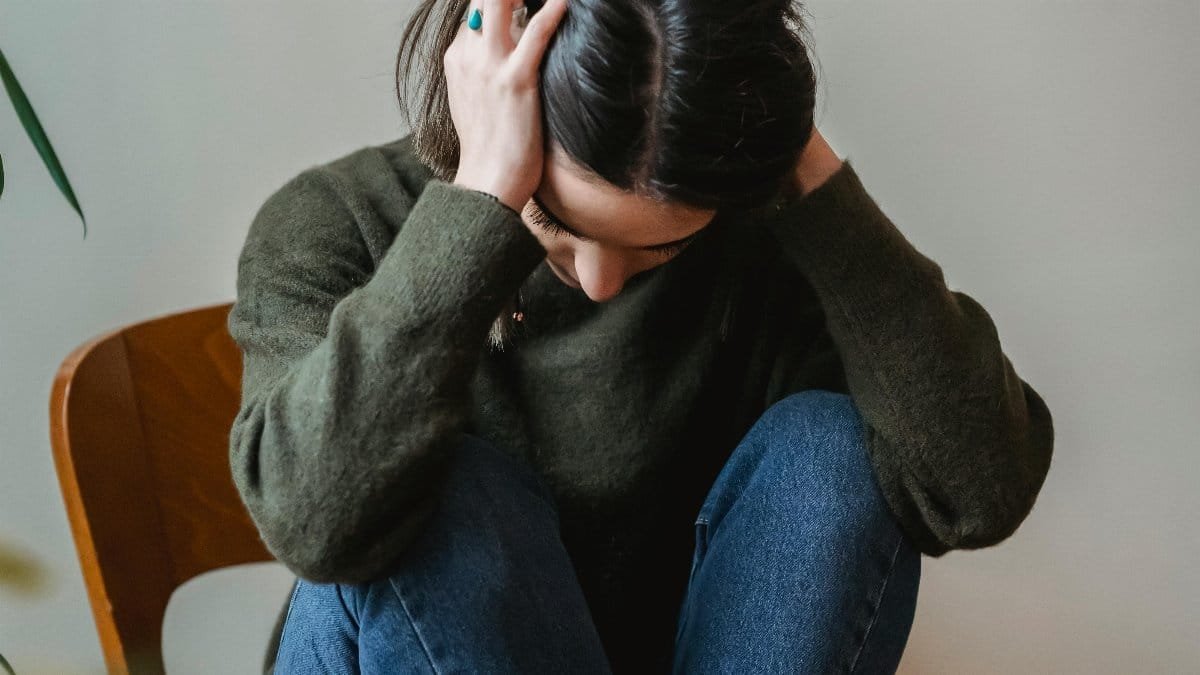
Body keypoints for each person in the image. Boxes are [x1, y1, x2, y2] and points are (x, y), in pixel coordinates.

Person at [225, 0, 1056, 671]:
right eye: (550, 219)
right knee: (432, 492)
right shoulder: (336, 223)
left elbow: (977, 491)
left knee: (834, 450)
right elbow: (316, 521)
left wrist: (796, 154)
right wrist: (480, 206)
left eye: (658, 244)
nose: (599, 281)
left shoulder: (754, 242)